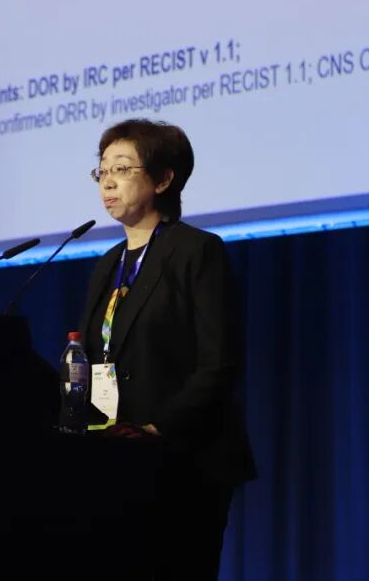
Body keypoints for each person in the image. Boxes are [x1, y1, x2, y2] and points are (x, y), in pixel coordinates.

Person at [78, 119, 256, 578]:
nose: (108, 182)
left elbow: (220, 363)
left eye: (122, 169)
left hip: (184, 461)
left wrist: (158, 428)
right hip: (115, 461)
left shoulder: (197, 251)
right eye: (102, 171)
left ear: (162, 180)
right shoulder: (107, 266)